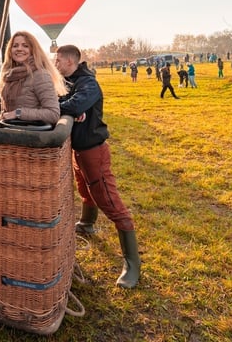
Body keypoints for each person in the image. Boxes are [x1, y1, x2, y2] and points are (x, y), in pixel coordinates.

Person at [54, 44, 141, 288]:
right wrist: (68, 107)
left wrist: (66, 109)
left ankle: (132, 263)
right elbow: (65, 101)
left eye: (58, 60)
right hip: (79, 150)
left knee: (108, 199)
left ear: (70, 61)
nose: (56, 64)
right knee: (85, 189)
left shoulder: (88, 83)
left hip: (93, 150)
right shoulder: (69, 81)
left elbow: (72, 104)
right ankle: (87, 223)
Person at [0, 31, 64, 126]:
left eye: (25, 46)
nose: (19, 49)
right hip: (11, 132)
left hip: (32, 134)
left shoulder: (40, 75)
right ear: (10, 50)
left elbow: (53, 114)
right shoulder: (10, 76)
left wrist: (18, 113)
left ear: (33, 50)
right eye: (15, 46)